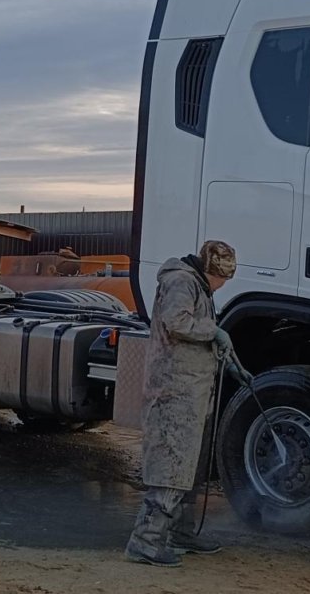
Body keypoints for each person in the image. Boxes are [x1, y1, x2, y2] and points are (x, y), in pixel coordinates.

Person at [125, 240, 238, 567]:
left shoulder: (199, 285)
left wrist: (230, 361)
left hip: (194, 391)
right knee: (171, 465)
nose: (223, 286)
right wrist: (214, 331)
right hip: (174, 391)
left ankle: (179, 533)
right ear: (213, 271)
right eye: (223, 279)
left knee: (191, 466)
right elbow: (176, 322)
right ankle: (145, 541)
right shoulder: (181, 281)